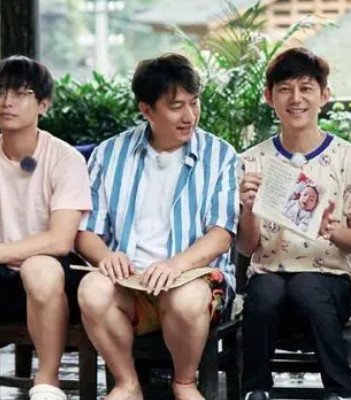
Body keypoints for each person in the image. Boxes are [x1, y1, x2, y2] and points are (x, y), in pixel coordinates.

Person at [75, 53, 239, 400]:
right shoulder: (109, 154)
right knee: (92, 289)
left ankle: (184, 383)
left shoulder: (220, 154)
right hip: (130, 281)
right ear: (146, 110)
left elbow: (221, 234)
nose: (189, 116)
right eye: (176, 106)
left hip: (193, 279)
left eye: (194, 102)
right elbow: (86, 231)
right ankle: (127, 384)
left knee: (185, 298)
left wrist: (175, 265)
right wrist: (106, 257)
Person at [238, 47, 351, 400]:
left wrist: (333, 231)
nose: (295, 98)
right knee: (267, 291)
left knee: (306, 287)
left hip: (331, 281)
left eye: (306, 88)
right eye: (284, 89)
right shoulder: (251, 161)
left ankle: (344, 391)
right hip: (269, 275)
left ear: (324, 96)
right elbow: (245, 248)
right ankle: (255, 391)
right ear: (269, 97)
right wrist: (248, 208)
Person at [0, 55, 92, 400]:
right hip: (4, 276)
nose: (6, 101)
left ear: (43, 104)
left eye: (20, 93)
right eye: (1, 91)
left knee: (39, 269)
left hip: (56, 276)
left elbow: (60, 240)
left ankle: (47, 382)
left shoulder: (64, 159)